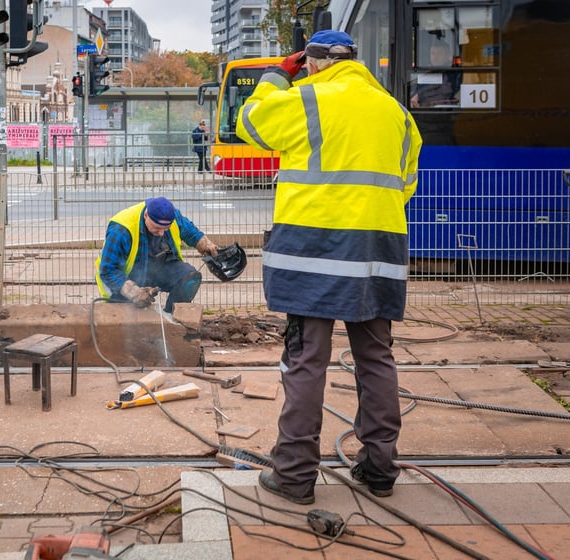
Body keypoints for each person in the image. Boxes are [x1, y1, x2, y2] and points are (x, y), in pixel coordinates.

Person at [235, 30, 422, 504]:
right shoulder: (396, 113)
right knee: (376, 358)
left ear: (314, 63)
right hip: (378, 248)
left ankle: (295, 476)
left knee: (306, 360)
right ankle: (380, 470)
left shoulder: (305, 99)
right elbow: (405, 184)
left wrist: (277, 75)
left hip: (312, 250)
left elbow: (250, 122)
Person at [95, 197, 219, 314]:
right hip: (124, 279)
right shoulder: (121, 230)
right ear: (146, 215)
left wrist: (205, 245)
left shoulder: (171, 216)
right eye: (157, 228)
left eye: (166, 229)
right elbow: (108, 271)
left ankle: (171, 319)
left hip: (156, 268)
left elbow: (190, 232)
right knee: (128, 320)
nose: (161, 233)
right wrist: (133, 292)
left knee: (190, 277)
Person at [410, 41, 461, 108]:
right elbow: (415, 88)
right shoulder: (426, 72)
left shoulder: (452, 73)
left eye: (439, 53)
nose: (435, 57)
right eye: (433, 53)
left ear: (448, 55)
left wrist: (419, 95)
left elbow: (444, 91)